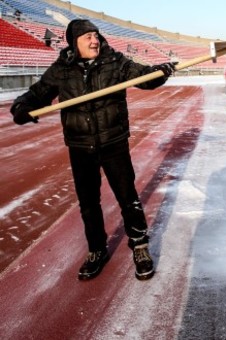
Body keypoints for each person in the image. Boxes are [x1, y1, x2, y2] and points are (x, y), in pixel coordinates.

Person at [9, 19, 177, 281]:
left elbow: (143, 77)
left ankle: (140, 246)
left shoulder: (114, 61)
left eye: (96, 35)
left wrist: (159, 72)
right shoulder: (62, 69)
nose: (94, 40)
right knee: (88, 203)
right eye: (87, 37)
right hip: (80, 146)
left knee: (127, 196)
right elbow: (37, 93)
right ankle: (97, 249)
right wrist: (21, 106)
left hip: (113, 142)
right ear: (75, 42)